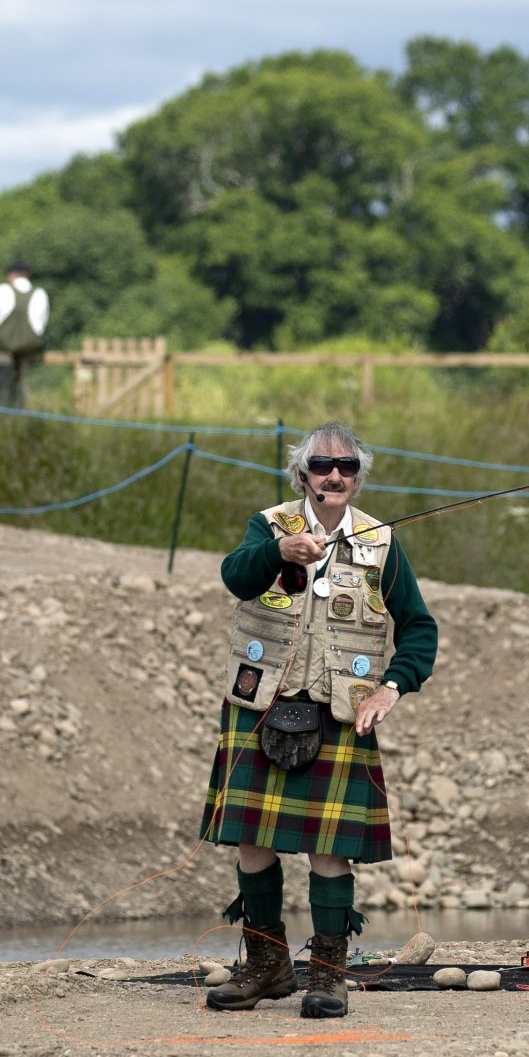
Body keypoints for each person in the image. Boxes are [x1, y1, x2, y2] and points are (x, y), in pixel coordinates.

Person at [200, 421, 438, 1019]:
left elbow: (418, 628)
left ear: (358, 478)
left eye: (348, 466)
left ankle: (329, 973)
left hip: (339, 711)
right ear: (301, 473)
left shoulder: (380, 542)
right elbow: (236, 576)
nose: (335, 475)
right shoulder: (270, 524)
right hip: (262, 706)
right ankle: (266, 965)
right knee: (253, 843)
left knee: (330, 852)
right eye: (323, 465)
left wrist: (392, 687)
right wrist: (277, 552)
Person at [0, 262, 48, 407]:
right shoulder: (40, 294)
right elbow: (41, 326)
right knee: (19, 384)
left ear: (11, 275)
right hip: (28, 349)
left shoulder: (2, 290)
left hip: (2, 348)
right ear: (28, 275)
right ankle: (18, 411)